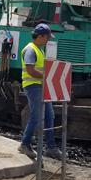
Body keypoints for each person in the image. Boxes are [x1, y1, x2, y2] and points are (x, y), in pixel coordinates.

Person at [19, 23, 60, 159]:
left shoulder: (38, 49)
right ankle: (24, 145)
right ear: (41, 36)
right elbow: (30, 71)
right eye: (47, 37)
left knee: (49, 115)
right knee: (36, 117)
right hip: (33, 86)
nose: (48, 40)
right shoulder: (31, 50)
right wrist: (47, 77)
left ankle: (51, 147)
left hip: (40, 86)